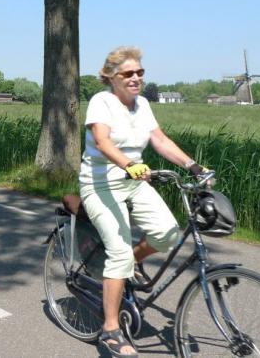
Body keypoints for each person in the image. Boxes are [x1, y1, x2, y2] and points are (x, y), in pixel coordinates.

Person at [79, 47, 206, 358]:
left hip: (134, 181)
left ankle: (133, 261)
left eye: (140, 72)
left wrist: (193, 166)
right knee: (119, 252)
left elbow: (159, 140)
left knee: (168, 234)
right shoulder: (102, 102)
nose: (135, 78)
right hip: (100, 183)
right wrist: (127, 164)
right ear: (111, 77)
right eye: (128, 74)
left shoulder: (143, 105)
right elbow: (102, 140)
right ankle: (110, 329)